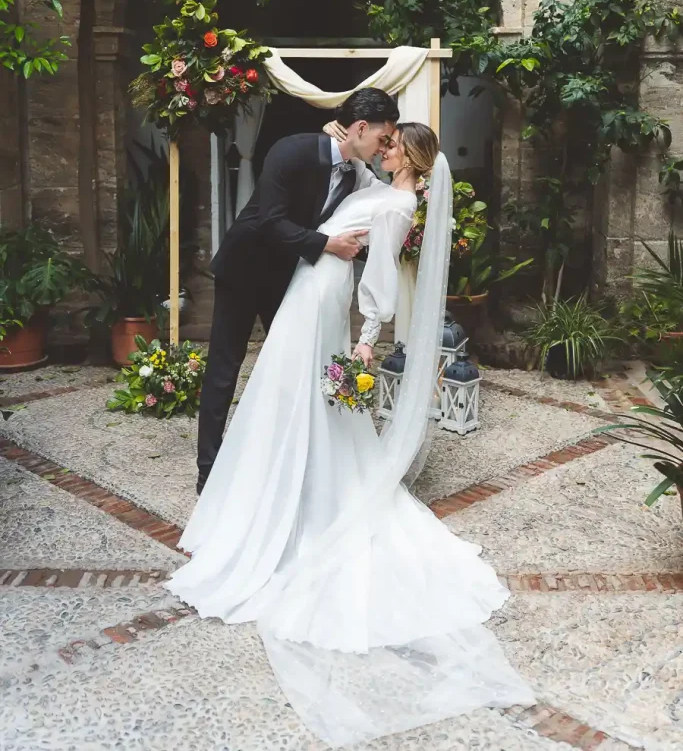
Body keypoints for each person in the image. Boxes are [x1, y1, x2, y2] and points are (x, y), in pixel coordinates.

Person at [168, 121, 534, 748]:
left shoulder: (397, 204)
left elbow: (381, 276)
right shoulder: (379, 181)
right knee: (279, 394)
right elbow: (352, 166)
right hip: (308, 289)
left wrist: (366, 341)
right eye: (379, 140)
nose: (382, 149)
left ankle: (300, 490)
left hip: (327, 299)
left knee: (300, 394)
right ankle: (267, 484)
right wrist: (340, 136)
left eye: (392, 145)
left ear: (409, 159)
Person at [196, 87, 400, 495]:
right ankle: (209, 471)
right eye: (382, 139)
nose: (384, 148)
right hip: (245, 269)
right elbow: (270, 221)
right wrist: (328, 246)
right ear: (361, 127)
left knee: (294, 366)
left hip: (292, 279)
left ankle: (290, 459)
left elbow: (378, 210)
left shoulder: (359, 176)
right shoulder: (291, 151)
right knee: (224, 368)